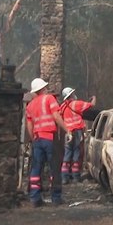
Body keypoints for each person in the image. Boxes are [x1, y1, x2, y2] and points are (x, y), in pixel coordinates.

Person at [26, 78, 69, 207]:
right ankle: (56, 198)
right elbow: (56, 116)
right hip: (49, 138)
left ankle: (35, 198)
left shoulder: (30, 105)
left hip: (37, 138)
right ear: (43, 89)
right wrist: (67, 130)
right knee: (54, 168)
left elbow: (29, 125)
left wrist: (33, 139)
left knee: (36, 169)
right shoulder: (49, 98)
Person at [60, 87, 96, 184]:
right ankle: (75, 176)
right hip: (77, 132)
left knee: (67, 154)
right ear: (71, 95)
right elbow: (92, 105)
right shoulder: (77, 103)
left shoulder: (62, 106)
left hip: (67, 133)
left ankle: (64, 178)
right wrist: (94, 98)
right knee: (76, 153)